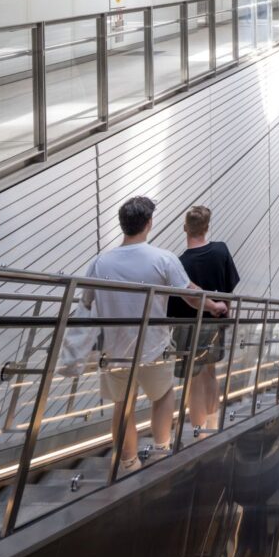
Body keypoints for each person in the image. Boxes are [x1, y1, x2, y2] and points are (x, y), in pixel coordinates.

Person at [81, 197, 228, 474]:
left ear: (123, 224)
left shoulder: (100, 263)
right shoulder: (162, 258)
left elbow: (86, 300)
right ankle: (161, 452)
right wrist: (215, 305)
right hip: (153, 347)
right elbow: (192, 296)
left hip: (114, 351)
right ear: (149, 223)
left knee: (122, 406)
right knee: (161, 397)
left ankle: (128, 462)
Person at [166, 205, 240, 434]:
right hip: (216, 323)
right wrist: (223, 311)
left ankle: (198, 432)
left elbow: (175, 302)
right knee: (210, 372)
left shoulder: (180, 263)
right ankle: (213, 423)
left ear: (184, 228)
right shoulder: (221, 250)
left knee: (193, 379)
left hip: (188, 326)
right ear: (207, 228)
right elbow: (230, 286)